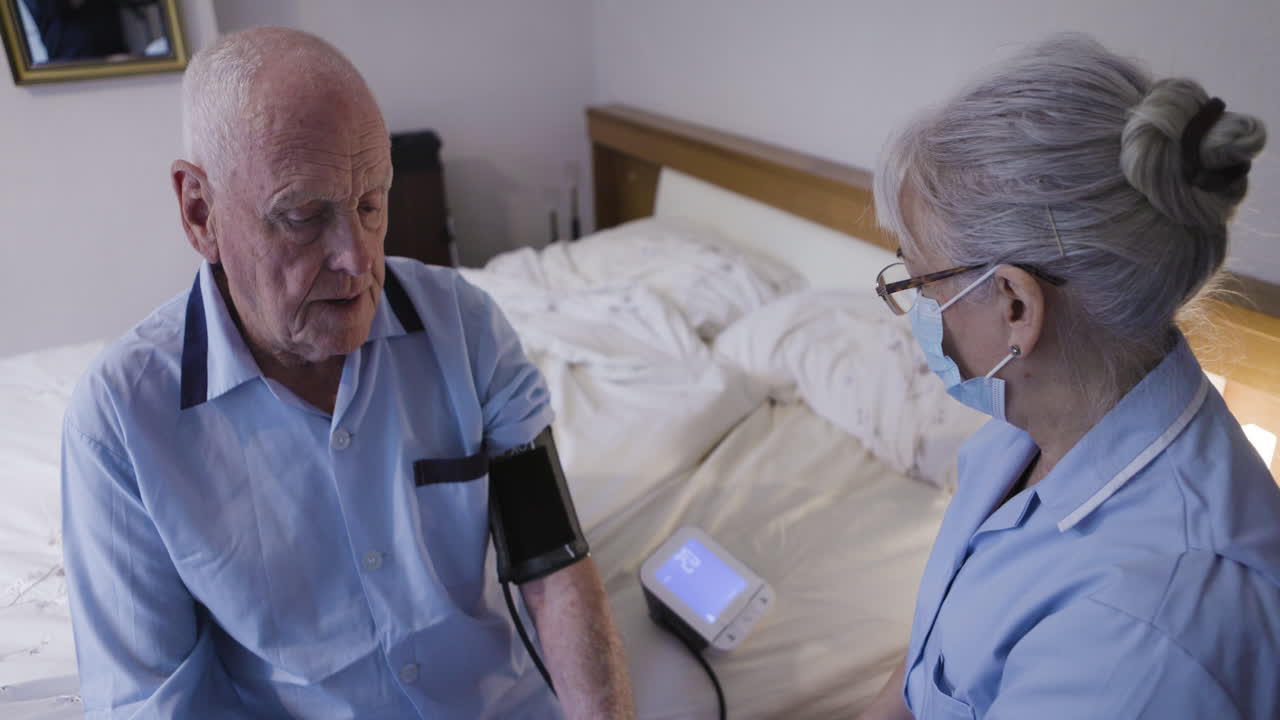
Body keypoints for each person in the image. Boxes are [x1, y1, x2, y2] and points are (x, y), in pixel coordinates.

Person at [60, 27, 634, 719]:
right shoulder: (119, 423)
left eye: (372, 205)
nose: (358, 261)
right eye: (303, 217)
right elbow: (149, 704)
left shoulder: (466, 329)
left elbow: (554, 567)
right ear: (199, 211)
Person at [859, 34, 1278, 719]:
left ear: (1016, 307)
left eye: (919, 278)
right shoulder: (1023, 434)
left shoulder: (1146, 638)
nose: (914, 307)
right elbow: (932, 666)